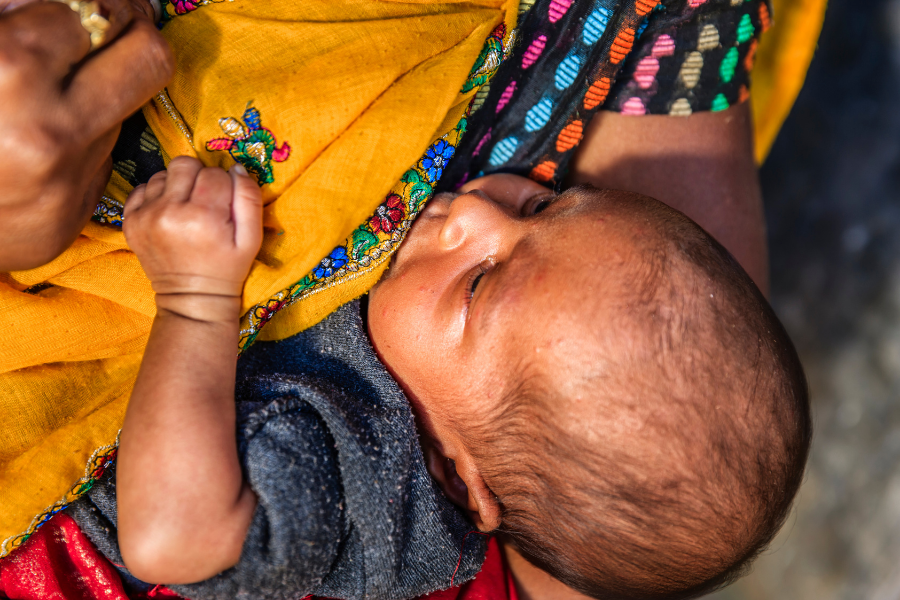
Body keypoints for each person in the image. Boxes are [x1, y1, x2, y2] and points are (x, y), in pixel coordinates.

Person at [96, 150, 809, 600]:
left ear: (457, 475)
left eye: (479, 285)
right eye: (544, 205)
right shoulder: (445, 364)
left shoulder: (360, 486)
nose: (473, 210)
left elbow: (172, 542)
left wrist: (195, 304)